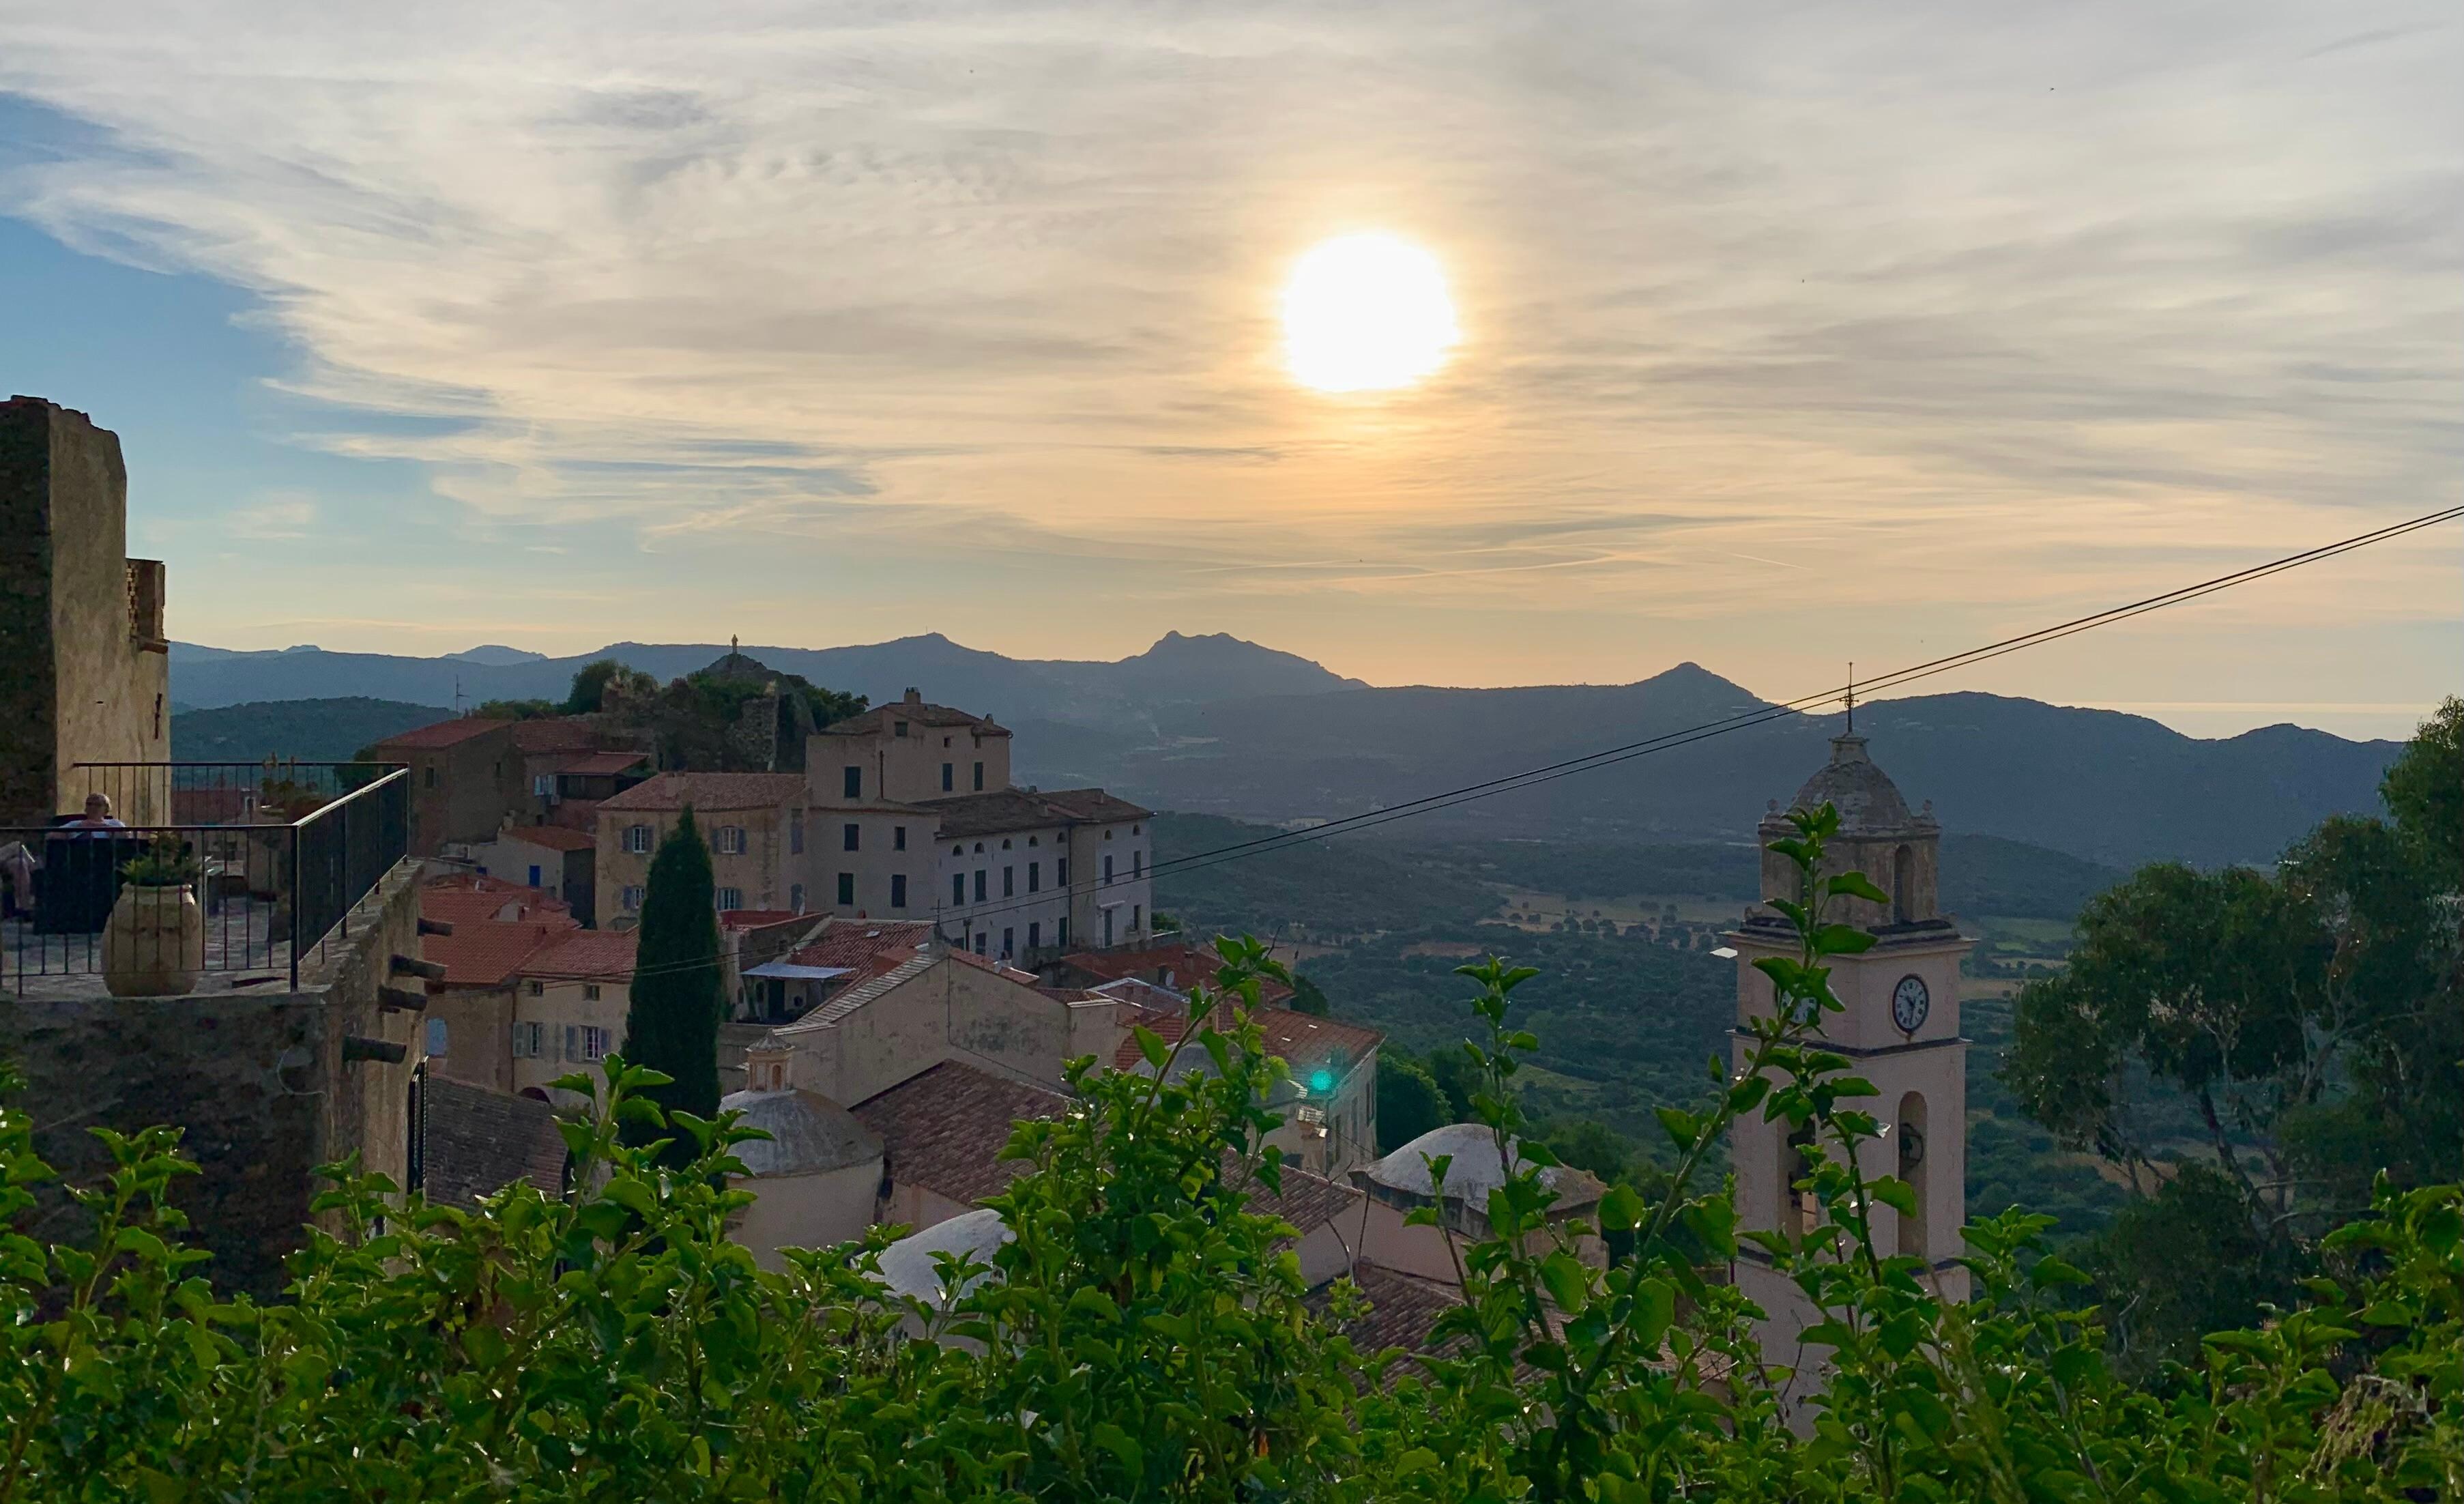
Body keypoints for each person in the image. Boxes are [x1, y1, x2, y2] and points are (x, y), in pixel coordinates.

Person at [62, 793, 127, 833]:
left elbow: (128, 838)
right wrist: (78, 828)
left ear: (106, 809)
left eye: (98, 805)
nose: (93, 807)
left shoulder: (115, 824)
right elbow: (53, 836)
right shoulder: (74, 824)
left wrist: (104, 827)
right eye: (89, 804)